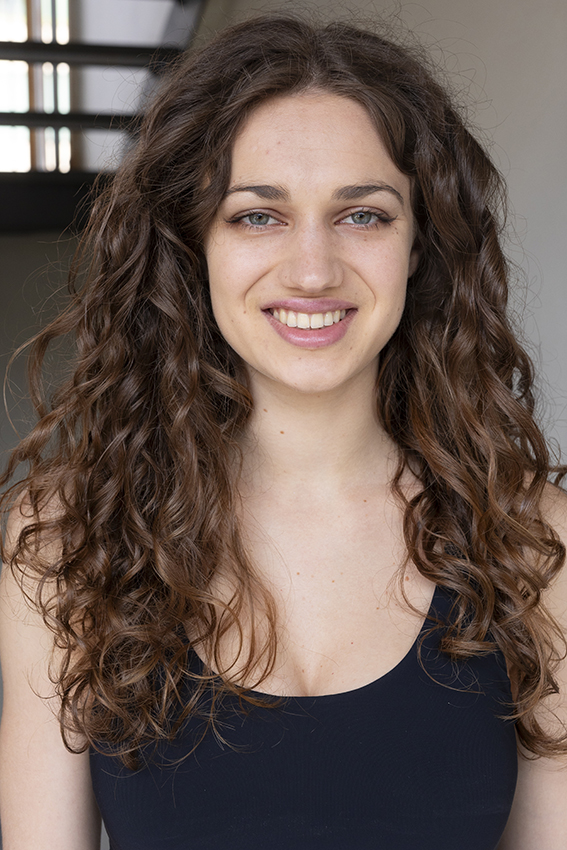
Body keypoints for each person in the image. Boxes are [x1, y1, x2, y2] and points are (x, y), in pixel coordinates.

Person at [1, 14, 566, 849]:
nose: (311, 269)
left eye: (362, 215)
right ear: (191, 243)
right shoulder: (66, 541)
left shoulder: (531, 543)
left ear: (419, 243)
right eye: (257, 216)